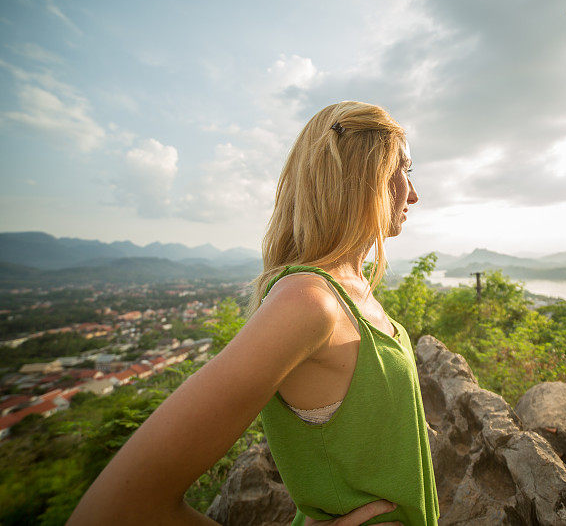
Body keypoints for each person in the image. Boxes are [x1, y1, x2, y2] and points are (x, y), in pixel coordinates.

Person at [67, 101, 439, 526]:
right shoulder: (307, 301)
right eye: (403, 168)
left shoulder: (353, 290)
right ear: (365, 175)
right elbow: (117, 508)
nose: (413, 193)